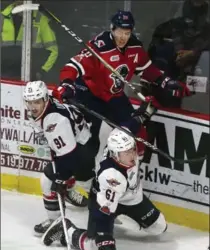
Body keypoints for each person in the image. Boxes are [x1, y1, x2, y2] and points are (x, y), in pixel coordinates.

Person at [53, 10, 192, 161]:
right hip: (91, 95)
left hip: (114, 96)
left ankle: (131, 170)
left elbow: (147, 70)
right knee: (88, 141)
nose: (123, 37)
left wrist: (165, 82)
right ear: (112, 28)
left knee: (136, 133)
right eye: (119, 32)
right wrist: (67, 84)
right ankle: (83, 176)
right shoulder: (100, 47)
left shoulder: (135, 47)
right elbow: (72, 66)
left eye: (127, 33)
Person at [42, 128, 167, 250]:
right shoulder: (111, 176)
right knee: (94, 246)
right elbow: (104, 212)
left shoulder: (123, 148)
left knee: (159, 227)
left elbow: (128, 125)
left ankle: (122, 219)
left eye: (132, 149)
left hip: (131, 199)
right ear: (115, 155)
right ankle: (67, 232)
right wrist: (105, 241)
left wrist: (141, 116)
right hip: (102, 202)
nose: (132, 155)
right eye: (126, 152)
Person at [23, 80, 93, 235]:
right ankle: (74, 192)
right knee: (91, 185)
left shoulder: (53, 121)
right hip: (83, 145)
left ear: (45, 99)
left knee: (48, 181)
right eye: (29, 102)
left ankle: (56, 222)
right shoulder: (48, 107)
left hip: (82, 153)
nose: (33, 107)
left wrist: (61, 179)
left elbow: (70, 157)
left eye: (36, 102)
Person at [1, 1, 58, 81]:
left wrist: (42, 71)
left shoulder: (41, 19)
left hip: (29, 77)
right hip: (3, 76)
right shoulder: (2, 17)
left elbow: (53, 50)